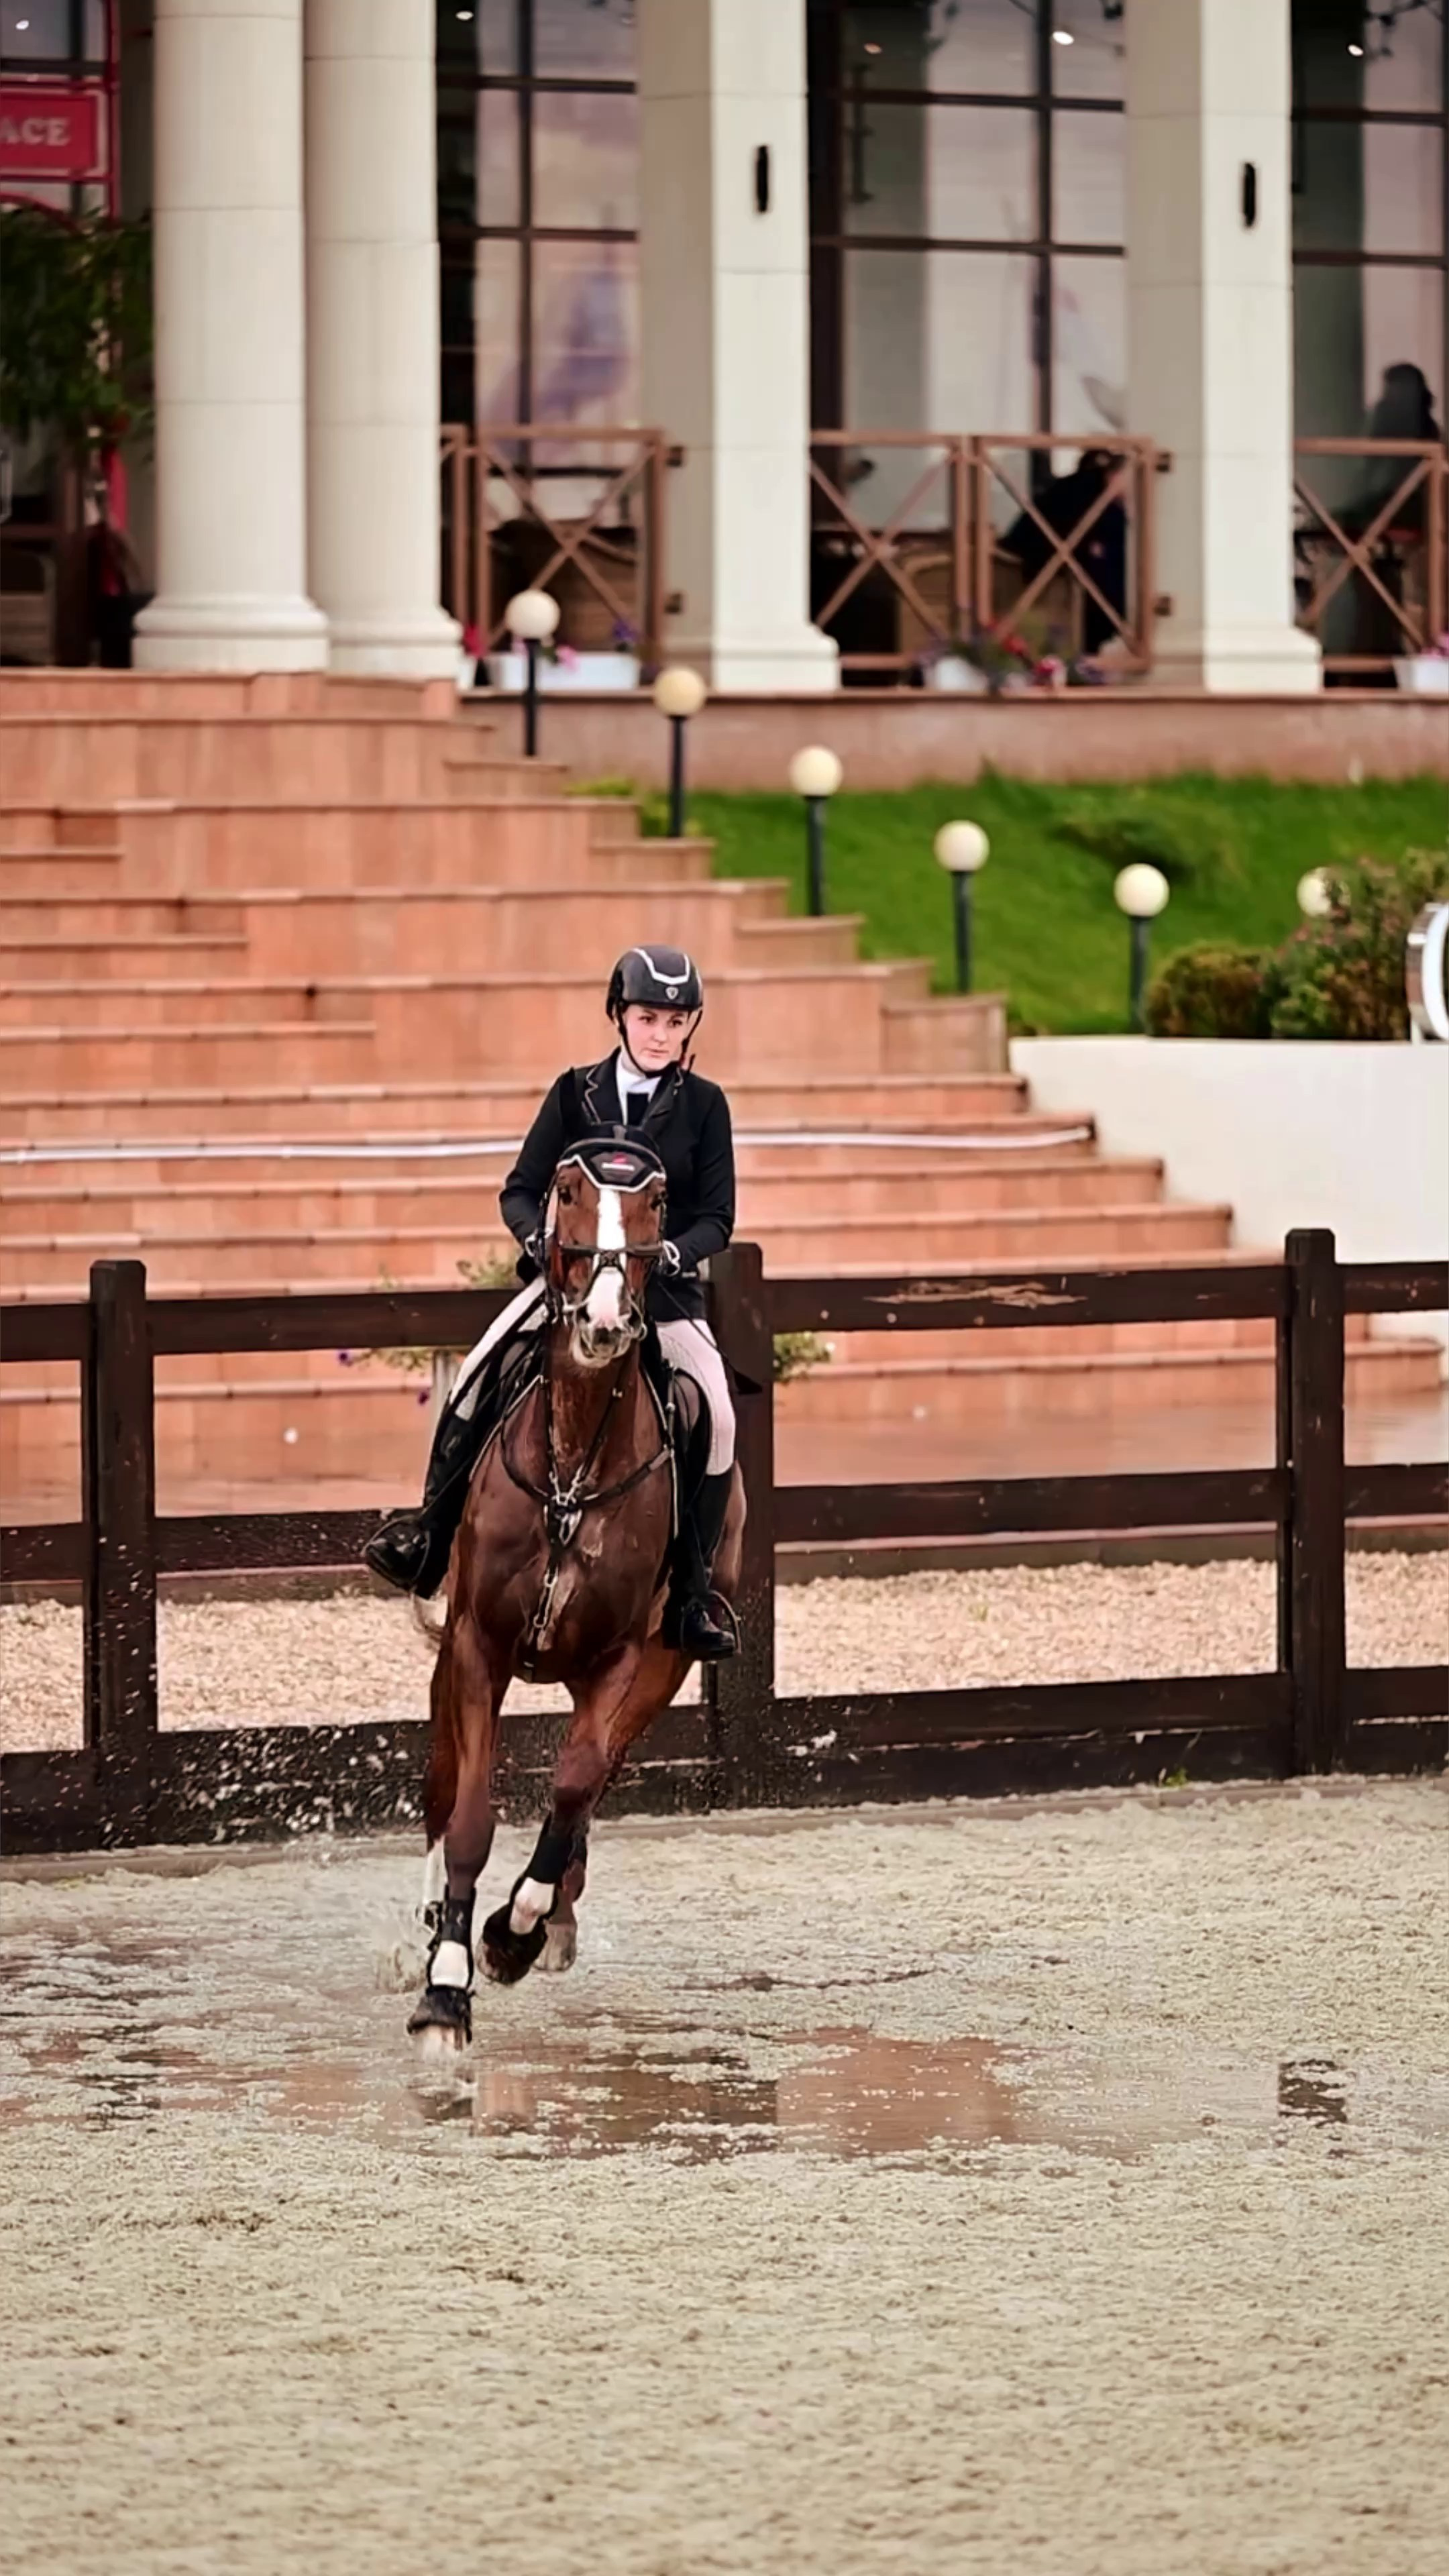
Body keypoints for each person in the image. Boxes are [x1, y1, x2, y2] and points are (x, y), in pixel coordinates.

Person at [363, 944, 740, 1660]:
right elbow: (520, 1186)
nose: (661, 1033)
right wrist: (537, 1241)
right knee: (475, 1376)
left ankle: (691, 1596)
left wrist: (673, 1253)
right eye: (648, 1017)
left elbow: (717, 1217)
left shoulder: (705, 1106)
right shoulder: (575, 1093)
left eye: (675, 1021)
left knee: (717, 1418)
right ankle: (430, 1539)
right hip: (568, 1290)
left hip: (660, 1293)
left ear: (690, 1026)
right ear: (619, 1016)